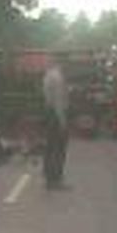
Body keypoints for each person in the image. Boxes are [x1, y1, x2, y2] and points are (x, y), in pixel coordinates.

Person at [42, 53, 71, 190]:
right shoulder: (58, 77)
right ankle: (56, 181)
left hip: (48, 113)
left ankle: (48, 178)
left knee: (50, 147)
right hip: (56, 114)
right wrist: (63, 121)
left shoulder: (48, 75)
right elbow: (59, 102)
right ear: (61, 63)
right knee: (59, 149)